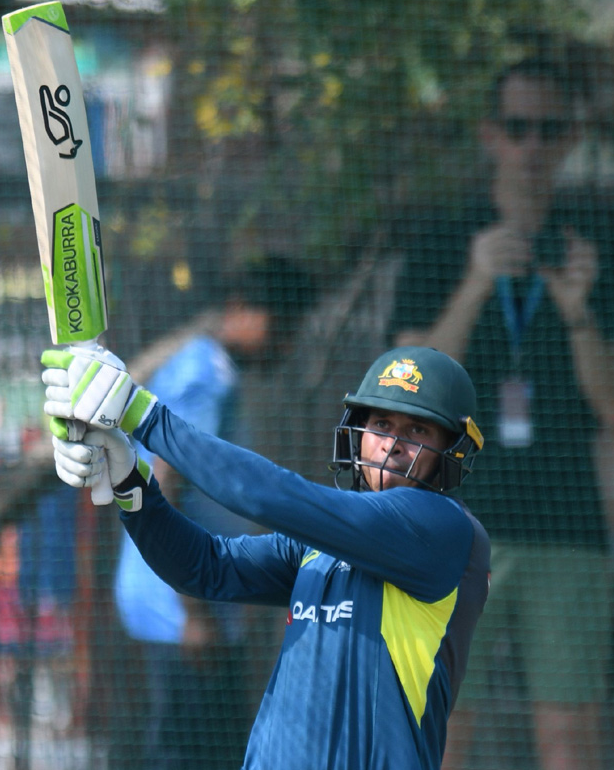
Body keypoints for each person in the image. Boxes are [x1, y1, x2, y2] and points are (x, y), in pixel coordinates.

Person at [41, 343, 491, 769]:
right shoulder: (323, 543)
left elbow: (267, 495)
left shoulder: (444, 529)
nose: (393, 444)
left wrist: (143, 415)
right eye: (382, 425)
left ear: (451, 450)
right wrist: (131, 484)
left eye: (417, 430)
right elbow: (204, 568)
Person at [390, 56, 614, 770]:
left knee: (567, 741)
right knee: (438, 731)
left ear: (570, 140)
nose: (533, 145)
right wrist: (475, 284)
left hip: (567, 526)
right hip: (449, 523)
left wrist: (577, 314)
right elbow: (407, 393)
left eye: (549, 129)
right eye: (517, 127)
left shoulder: (600, 257)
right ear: (490, 136)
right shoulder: (443, 242)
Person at [110, 255, 313, 770]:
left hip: (198, 601)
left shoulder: (210, 370)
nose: (287, 344)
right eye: (282, 325)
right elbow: (165, 479)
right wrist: (193, 610)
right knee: (187, 753)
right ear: (240, 308)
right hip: (182, 607)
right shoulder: (205, 375)